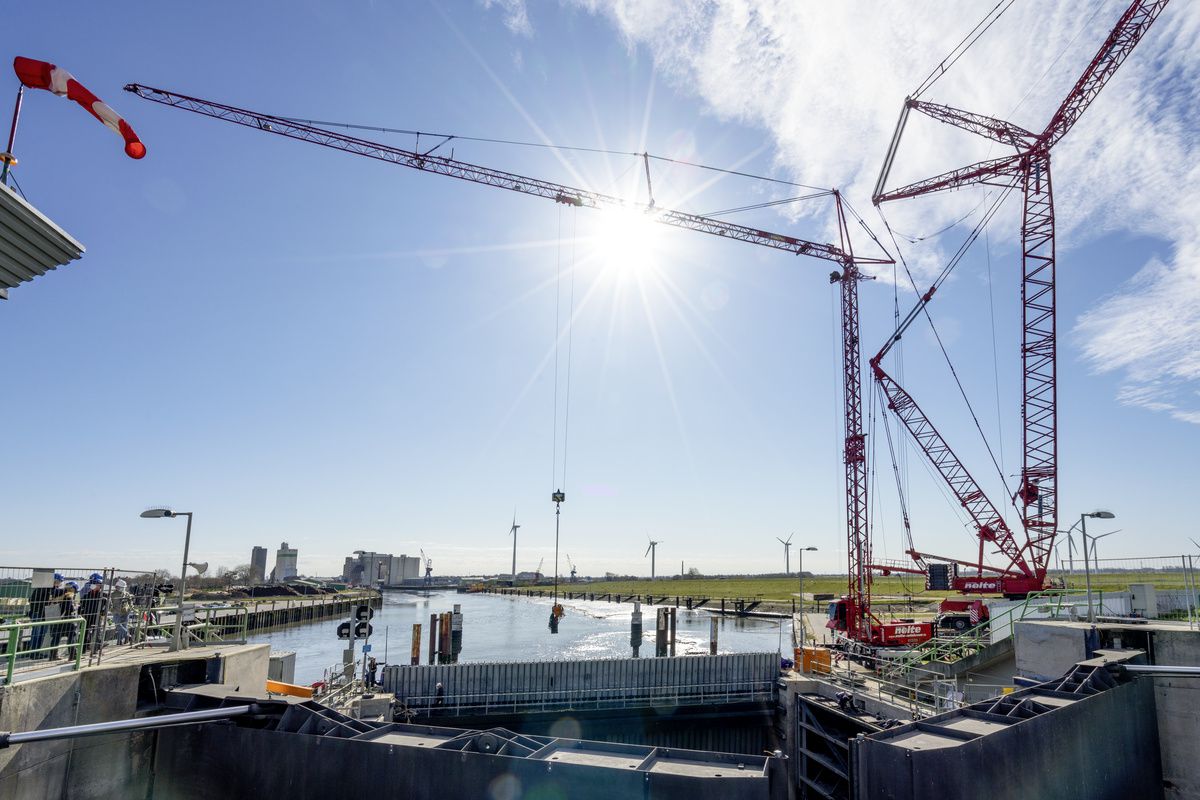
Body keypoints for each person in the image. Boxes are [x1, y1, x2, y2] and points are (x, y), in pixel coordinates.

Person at [27, 573, 63, 659]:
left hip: (43, 614)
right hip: (39, 614)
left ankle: (36, 652)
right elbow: (34, 601)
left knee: (41, 634)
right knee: (37, 634)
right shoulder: (45, 589)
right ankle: (33, 653)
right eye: (58, 581)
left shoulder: (49, 589)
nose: (59, 584)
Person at [79, 574, 109, 655]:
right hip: (87, 616)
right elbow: (81, 605)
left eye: (95, 583)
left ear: (100, 585)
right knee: (84, 633)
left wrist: (103, 613)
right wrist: (81, 613)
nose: (93, 585)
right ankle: (82, 650)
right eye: (92, 583)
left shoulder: (104, 596)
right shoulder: (86, 595)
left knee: (97, 633)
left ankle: (95, 650)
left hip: (97, 616)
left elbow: (107, 607)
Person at [49, 581, 79, 659]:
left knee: (56, 637)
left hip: (57, 619)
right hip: (68, 620)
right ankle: (73, 655)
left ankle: (53, 656)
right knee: (71, 637)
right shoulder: (69, 596)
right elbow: (70, 609)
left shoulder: (58, 595)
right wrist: (76, 607)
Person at [111, 579, 133, 645]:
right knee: (118, 626)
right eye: (121, 587)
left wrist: (130, 607)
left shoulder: (126, 594)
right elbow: (109, 603)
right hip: (116, 612)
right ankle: (127, 635)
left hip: (125, 612)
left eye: (123, 588)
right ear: (117, 587)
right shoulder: (113, 594)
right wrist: (111, 609)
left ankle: (119, 642)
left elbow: (130, 602)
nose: (122, 589)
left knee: (124, 626)